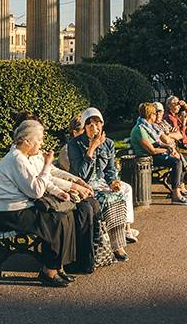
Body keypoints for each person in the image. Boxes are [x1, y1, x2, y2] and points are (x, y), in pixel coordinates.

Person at [0, 119, 95, 286]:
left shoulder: (24, 157)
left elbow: (43, 182)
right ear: (26, 141)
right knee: (56, 220)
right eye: (38, 140)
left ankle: (59, 267)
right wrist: (46, 164)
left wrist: (58, 191)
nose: (41, 143)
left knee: (65, 215)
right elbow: (37, 190)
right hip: (7, 213)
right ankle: (49, 271)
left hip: (21, 207)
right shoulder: (17, 160)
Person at [64, 107, 134, 260]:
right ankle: (104, 244)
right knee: (106, 199)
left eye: (98, 124)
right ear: (85, 127)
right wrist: (92, 148)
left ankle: (117, 244)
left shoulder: (108, 143)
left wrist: (113, 181)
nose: (95, 129)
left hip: (101, 182)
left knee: (118, 195)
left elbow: (109, 169)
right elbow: (79, 175)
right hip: (83, 184)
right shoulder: (74, 144)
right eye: (90, 126)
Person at [129, 102, 187, 205]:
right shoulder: (140, 130)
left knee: (182, 158)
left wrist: (168, 147)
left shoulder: (148, 127)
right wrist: (167, 150)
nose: (157, 115)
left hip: (154, 155)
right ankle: (176, 195)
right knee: (176, 162)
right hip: (146, 159)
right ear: (151, 115)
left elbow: (156, 143)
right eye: (155, 113)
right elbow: (151, 150)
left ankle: (179, 188)